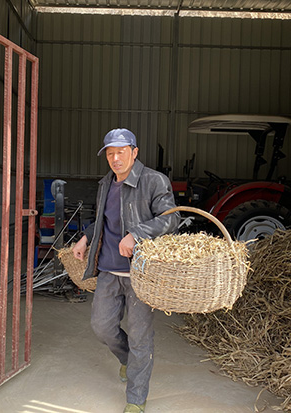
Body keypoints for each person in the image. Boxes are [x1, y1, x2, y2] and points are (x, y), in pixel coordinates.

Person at [72, 128, 180, 413]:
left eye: (121, 152)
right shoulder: (106, 183)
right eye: (110, 153)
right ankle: (127, 359)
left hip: (141, 273)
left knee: (141, 336)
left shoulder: (154, 181)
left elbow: (171, 219)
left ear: (135, 152)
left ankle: (135, 399)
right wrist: (85, 237)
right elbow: (103, 220)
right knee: (102, 327)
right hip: (109, 269)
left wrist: (137, 234)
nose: (115, 158)